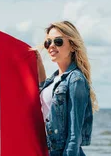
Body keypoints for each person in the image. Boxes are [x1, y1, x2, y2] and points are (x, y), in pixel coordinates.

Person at [33, 21, 98, 156]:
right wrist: (38, 63)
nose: (51, 46)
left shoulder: (76, 80)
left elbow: (75, 134)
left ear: (72, 46)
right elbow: (44, 99)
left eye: (58, 41)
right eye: (48, 42)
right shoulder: (54, 79)